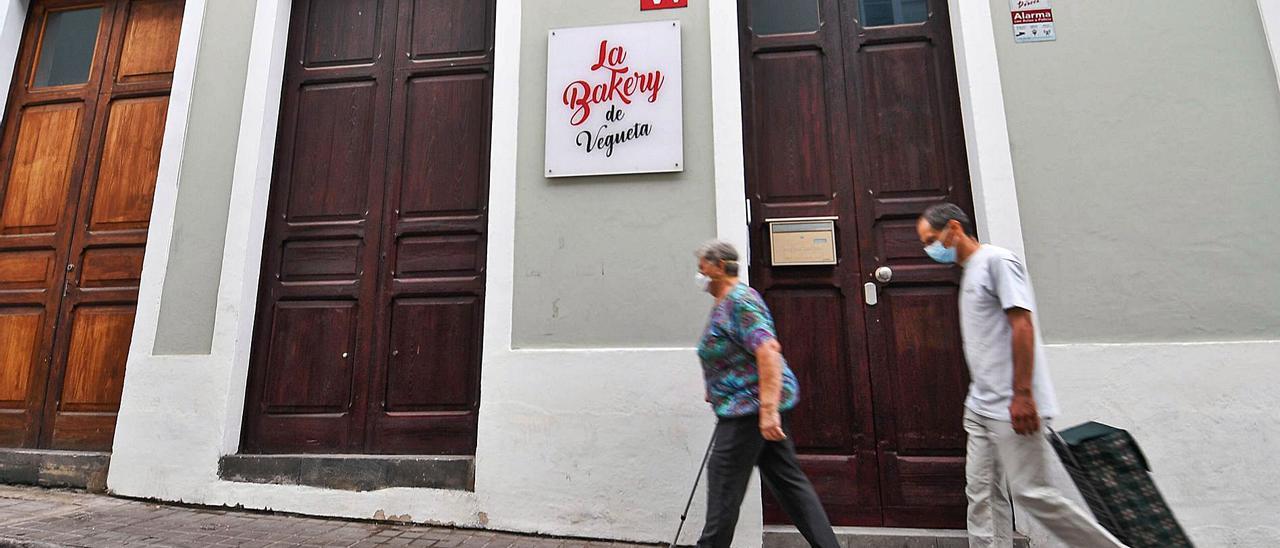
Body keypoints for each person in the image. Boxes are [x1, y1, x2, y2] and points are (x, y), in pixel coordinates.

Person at [916, 203, 1127, 548]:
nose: (929, 250)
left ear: (954, 228)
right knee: (981, 493)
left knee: (1034, 495)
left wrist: (1024, 394)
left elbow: (1022, 325)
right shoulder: (970, 270)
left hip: (1013, 406)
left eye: (931, 240)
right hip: (981, 406)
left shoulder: (998, 261)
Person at [692, 240, 839, 548]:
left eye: (702, 267)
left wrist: (768, 411)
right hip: (745, 405)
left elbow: (768, 351)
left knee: (724, 484)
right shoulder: (725, 302)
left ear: (720, 267)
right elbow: (731, 353)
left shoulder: (740, 301)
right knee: (790, 486)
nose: (699, 274)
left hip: (749, 409)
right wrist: (714, 387)